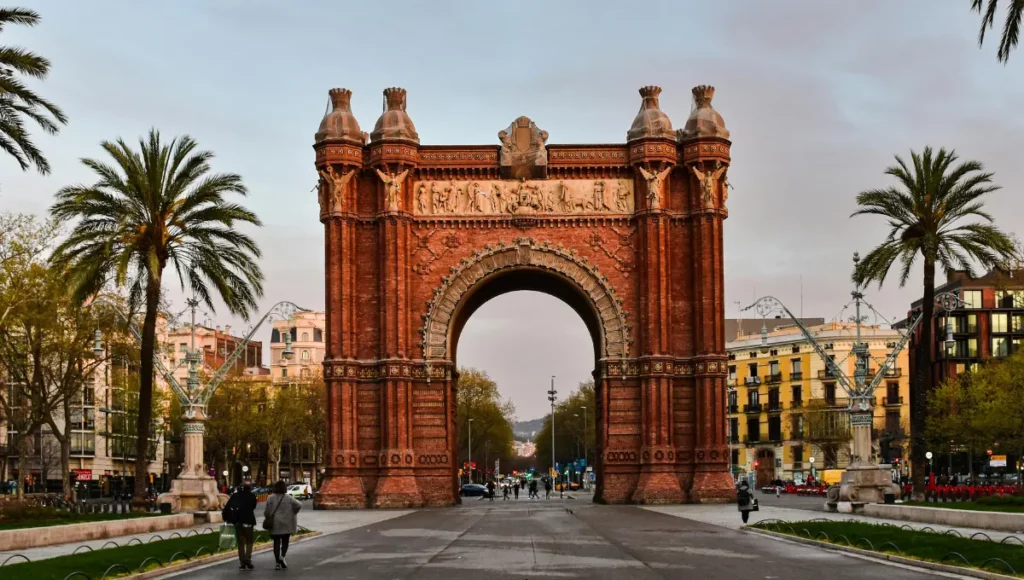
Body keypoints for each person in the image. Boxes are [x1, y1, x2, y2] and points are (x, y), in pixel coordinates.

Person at [265, 480, 302, 570]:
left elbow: (266, 511)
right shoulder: (288, 498)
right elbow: (299, 505)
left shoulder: (270, 498)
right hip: (287, 523)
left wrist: (268, 516)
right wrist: (293, 512)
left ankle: (277, 562)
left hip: (275, 523)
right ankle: (282, 556)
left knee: (276, 543)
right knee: (285, 541)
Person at [223, 483, 257, 570]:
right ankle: (247, 559)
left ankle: (242, 563)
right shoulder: (252, 496)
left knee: (241, 543)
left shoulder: (235, 496)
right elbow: (253, 507)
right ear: (250, 488)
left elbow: (228, 506)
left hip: (237, 521)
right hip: (248, 521)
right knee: (249, 541)